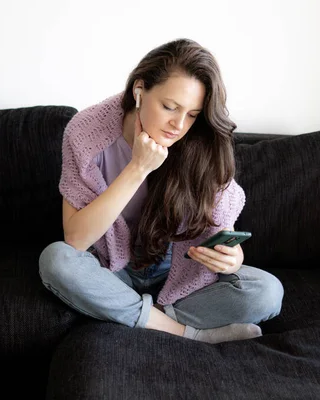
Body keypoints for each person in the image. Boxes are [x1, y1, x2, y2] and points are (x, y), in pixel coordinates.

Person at [39, 38, 284, 344]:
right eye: (170, 107)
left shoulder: (200, 143)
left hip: (179, 274)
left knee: (268, 292)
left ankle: (140, 315)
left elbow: (220, 228)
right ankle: (186, 333)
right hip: (115, 269)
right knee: (56, 261)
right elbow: (75, 239)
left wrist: (231, 259)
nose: (179, 125)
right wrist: (137, 168)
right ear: (139, 91)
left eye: (193, 114)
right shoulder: (85, 134)